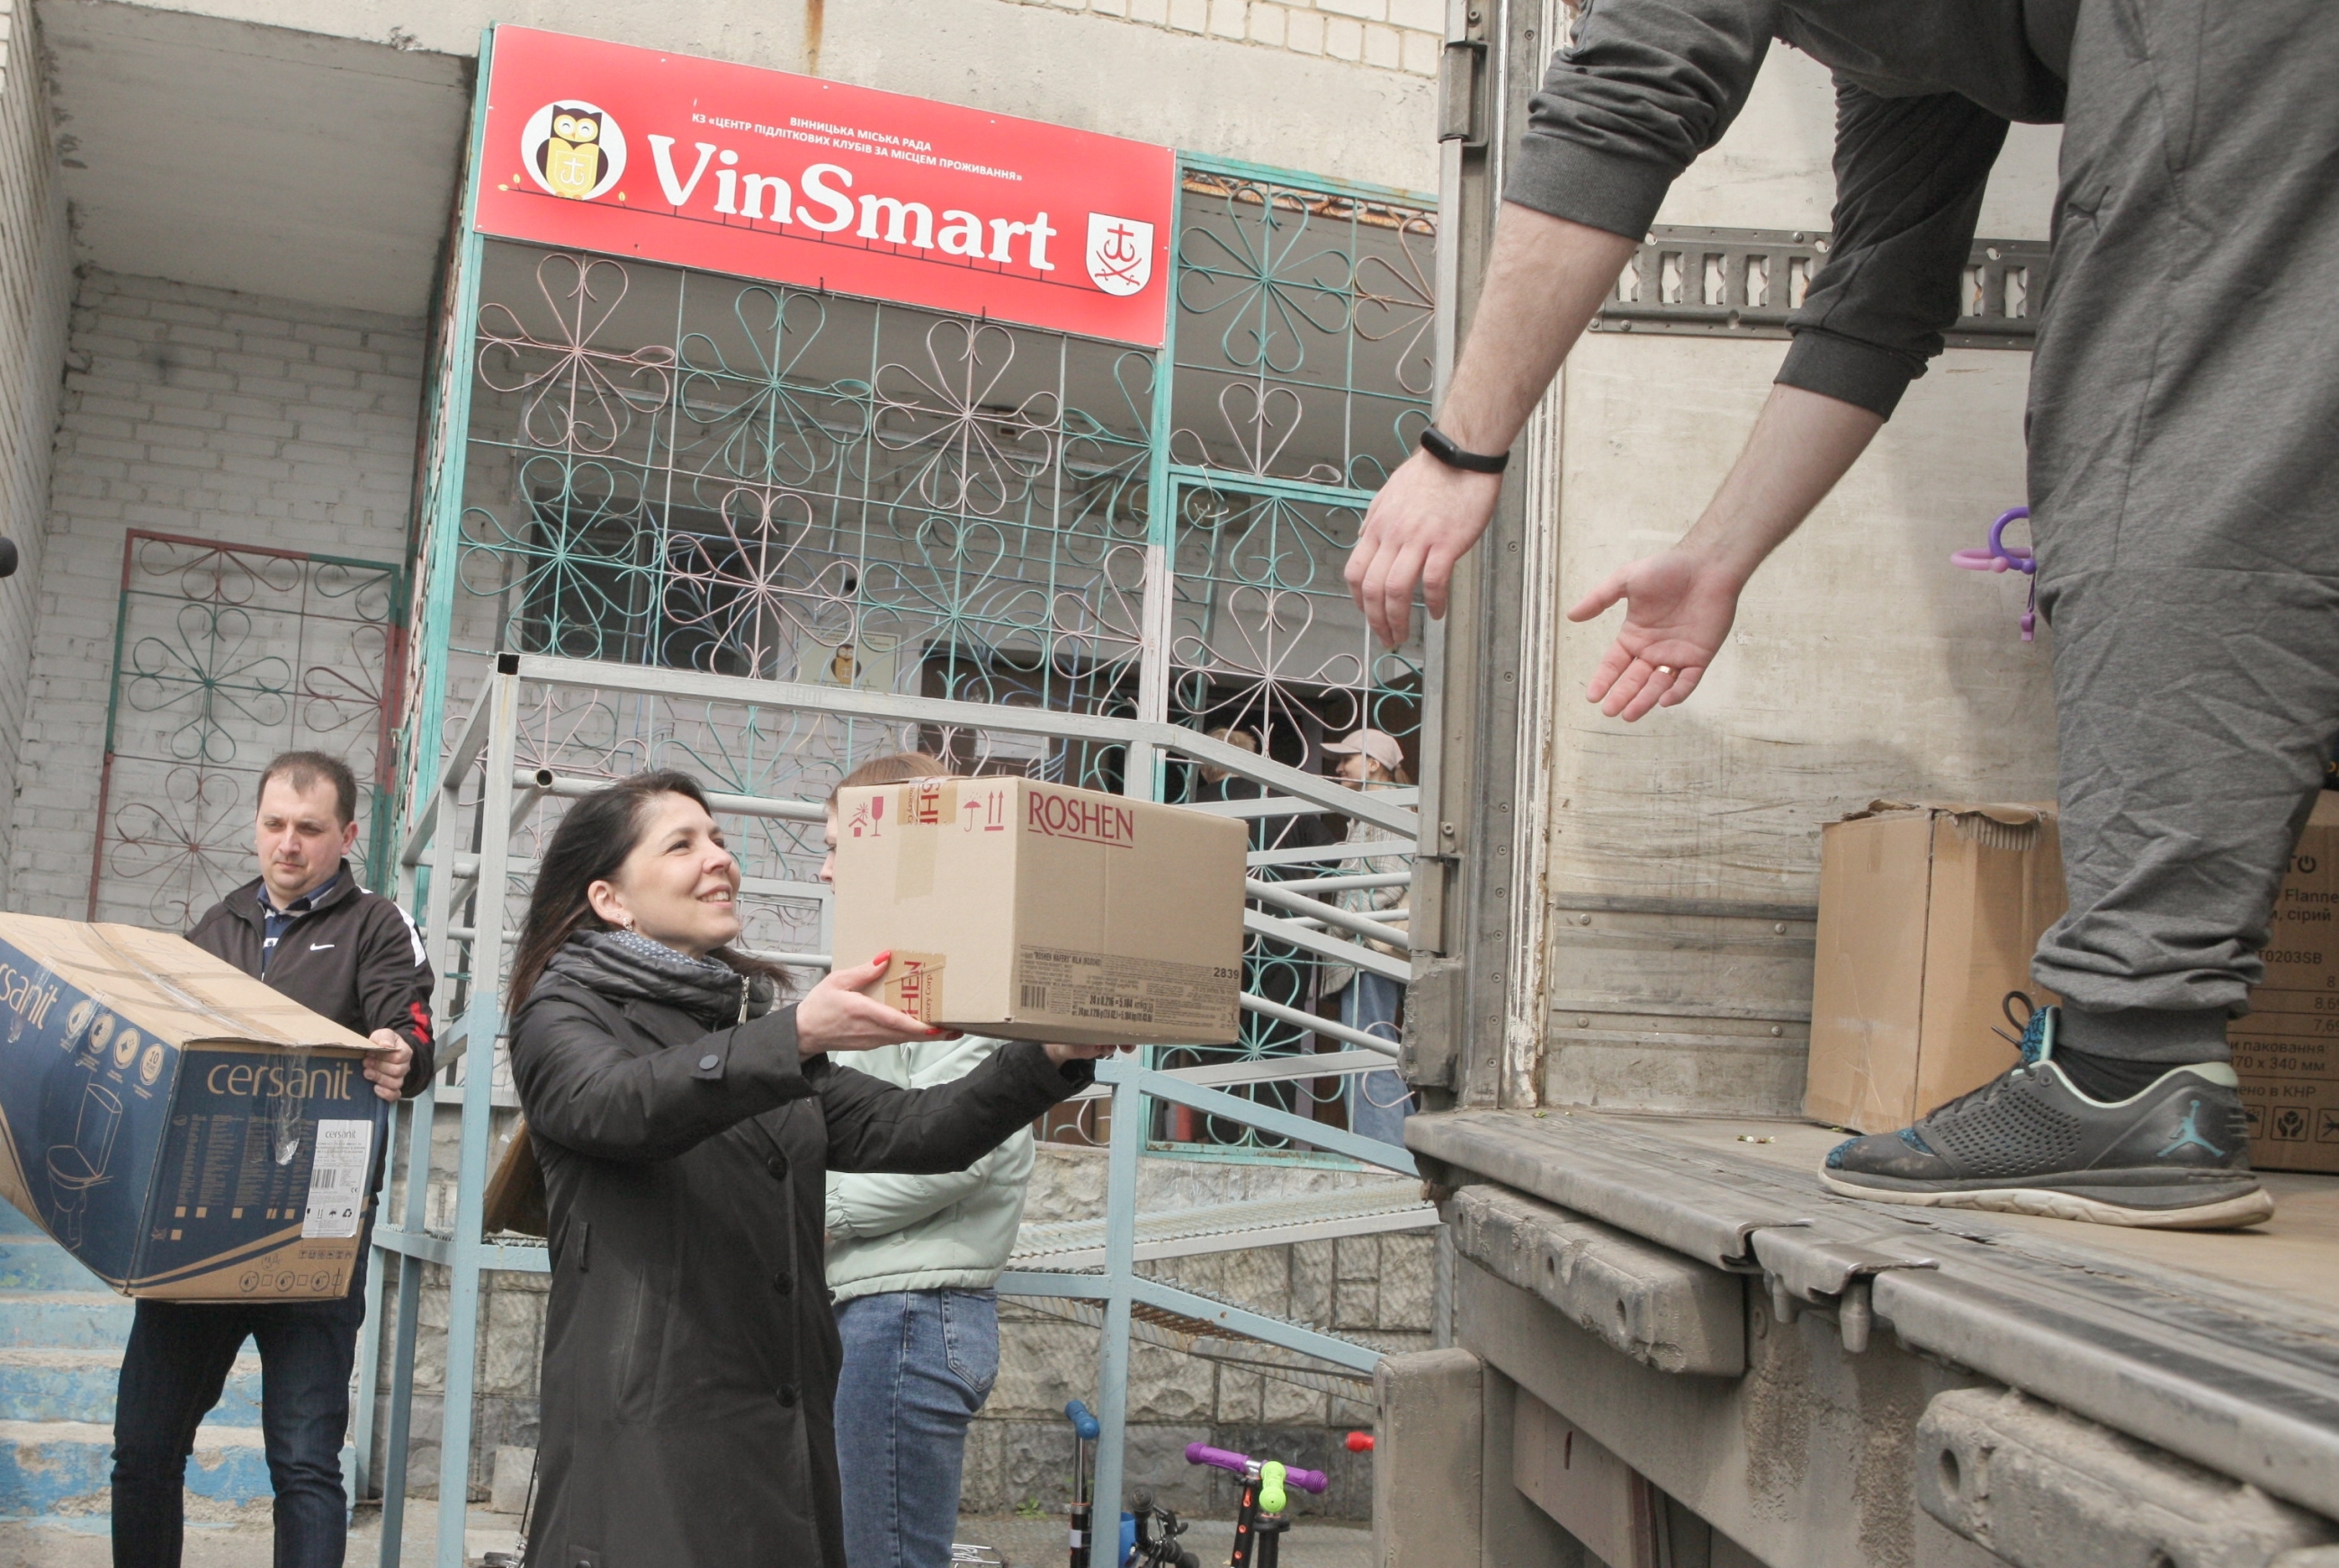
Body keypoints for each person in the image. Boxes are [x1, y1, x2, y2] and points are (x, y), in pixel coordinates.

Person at [1344, 0, 2326, 1227]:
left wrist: (1461, 445)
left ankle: (2135, 1059)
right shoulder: (1910, 47)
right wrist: (1718, 557)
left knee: (2158, 409)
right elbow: (1883, 291)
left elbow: (1629, 90)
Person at [505, 769, 1118, 1568]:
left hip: (779, 1420)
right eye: (682, 844)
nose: (719, 858)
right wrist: (791, 1036)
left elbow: (918, 1128)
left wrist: (1047, 1058)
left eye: (719, 838)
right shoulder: (563, 1012)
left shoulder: (744, 1021)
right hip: (649, 1430)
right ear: (610, 898)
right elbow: (619, 1105)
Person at [112, 751, 434, 1568]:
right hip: (196, 1232)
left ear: (347, 833)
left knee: (303, 1461)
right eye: (274, 825)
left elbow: (411, 1027)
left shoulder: (377, 926)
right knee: (145, 1450)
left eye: (310, 829)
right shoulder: (215, 928)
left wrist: (401, 1050)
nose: (288, 845)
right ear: (256, 824)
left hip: (314, 1241)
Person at [818, 753, 1035, 1568]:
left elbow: (957, 1147)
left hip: (906, 1315)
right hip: (883, 1308)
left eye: (841, 844)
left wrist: (816, 1216)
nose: (824, 866)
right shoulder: (899, 963)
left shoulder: (962, 961)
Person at [1316, 730, 1414, 1144]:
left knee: (1366, 1050)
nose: (1338, 768)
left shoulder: (1382, 807)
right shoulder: (1372, 808)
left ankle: (1382, 1149)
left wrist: (1339, 923)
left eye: (1347, 760)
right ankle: (1406, 1142)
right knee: (1371, 1046)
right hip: (1365, 947)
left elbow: (1386, 884)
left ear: (1373, 763)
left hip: (1367, 947)